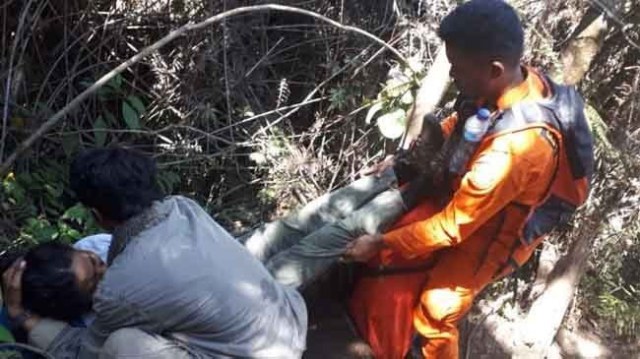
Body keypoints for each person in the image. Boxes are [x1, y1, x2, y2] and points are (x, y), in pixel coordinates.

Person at [343, 0, 594, 358]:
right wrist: (404, 162)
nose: (453, 76)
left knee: (436, 313)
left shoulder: (518, 151)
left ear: (494, 69)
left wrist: (381, 242)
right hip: (474, 201)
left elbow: (451, 228)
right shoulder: (504, 84)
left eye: (457, 69)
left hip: (495, 234)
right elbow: (462, 126)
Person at [2, 148, 308, 358]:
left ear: (96, 214)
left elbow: (84, 354)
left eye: (96, 266)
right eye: (94, 273)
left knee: (121, 345)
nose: (102, 270)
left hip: (269, 351)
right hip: (291, 318)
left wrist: (21, 318)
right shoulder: (184, 208)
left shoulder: (120, 287)